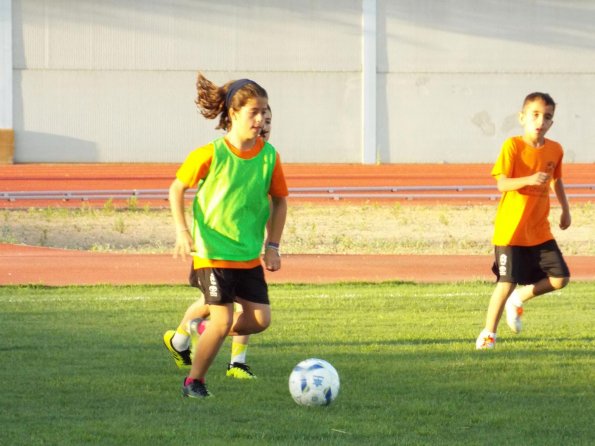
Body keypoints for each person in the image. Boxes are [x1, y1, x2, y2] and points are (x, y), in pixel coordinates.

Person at [166, 73, 288, 397]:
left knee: (260, 320)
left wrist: (272, 246)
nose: (261, 118)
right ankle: (195, 382)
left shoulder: (270, 156)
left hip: (247, 255)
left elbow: (280, 201)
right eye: (254, 112)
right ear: (233, 114)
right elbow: (176, 188)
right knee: (222, 320)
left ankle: (202, 332)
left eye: (264, 111)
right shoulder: (210, 153)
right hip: (212, 251)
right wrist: (182, 231)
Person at [476, 92, 571, 350]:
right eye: (535, 115)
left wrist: (565, 208)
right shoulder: (513, 146)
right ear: (522, 118)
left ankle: (519, 298)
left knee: (560, 278)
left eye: (547, 116)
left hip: (539, 230)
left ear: (552, 122)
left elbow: (556, 180)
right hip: (511, 231)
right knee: (506, 282)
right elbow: (501, 183)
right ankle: (488, 334)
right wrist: (529, 180)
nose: (541, 121)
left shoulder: (555, 150)